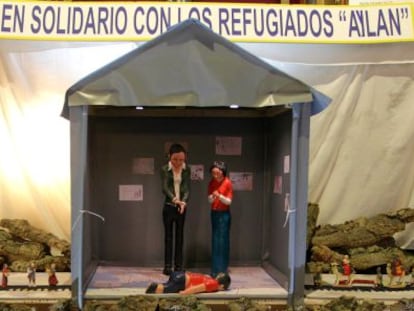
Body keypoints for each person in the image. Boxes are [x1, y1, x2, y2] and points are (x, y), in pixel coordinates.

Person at [160, 143, 191, 275]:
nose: (178, 162)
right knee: (168, 237)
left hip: (181, 208)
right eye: (175, 159)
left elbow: (187, 188)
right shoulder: (165, 169)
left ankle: (178, 266)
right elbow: (165, 188)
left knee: (180, 237)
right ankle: (168, 266)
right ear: (169, 157)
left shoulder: (186, 169)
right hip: (169, 206)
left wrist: (183, 201)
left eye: (181, 159)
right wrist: (174, 199)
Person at [208, 161, 233, 277]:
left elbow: (229, 201)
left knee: (223, 241)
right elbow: (209, 200)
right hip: (214, 213)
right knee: (215, 240)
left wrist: (219, 196)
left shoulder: (227, 183)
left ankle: (222, 269)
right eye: (213, 173)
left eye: (217, 173)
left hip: (224, 214)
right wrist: (213, 197)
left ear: (222, 172)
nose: (215, 175)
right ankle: (215, 269)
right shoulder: (212, 183)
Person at [145, 271, 231, 294]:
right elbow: (198, 288)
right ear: (222, 286)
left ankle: (155, 285)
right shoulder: (214, 284)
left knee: (168, 285)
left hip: (180, 275)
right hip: (182, 280)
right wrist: (186, 292)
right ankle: (153, 288)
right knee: (167, 289)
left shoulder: (209, 278)